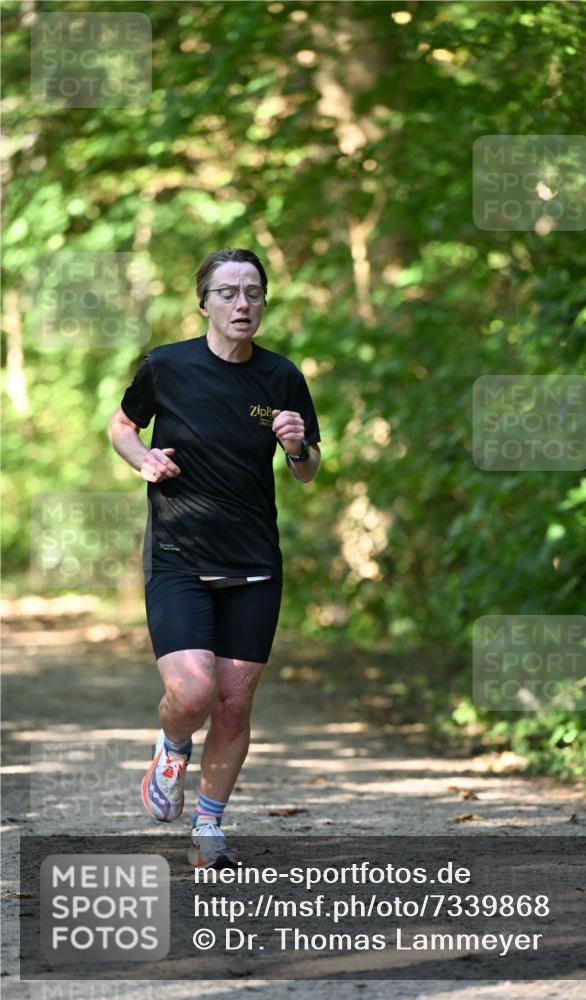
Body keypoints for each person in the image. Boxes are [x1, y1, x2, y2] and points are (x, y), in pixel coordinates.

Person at [108, 248, 321, 866]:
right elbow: (122, 426)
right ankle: (172, 745)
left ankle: (208, 829)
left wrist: (298, 446)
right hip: (178, 555)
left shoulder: (282, 377)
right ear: (204, 303)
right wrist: (143, 459)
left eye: (253, 292)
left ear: (264, 302)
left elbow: (307, 470)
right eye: (228, 293)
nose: (242, 304)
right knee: (194, 692)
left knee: (234, 702)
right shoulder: (167, 365)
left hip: (254, 561)